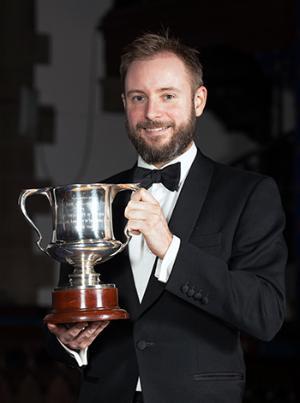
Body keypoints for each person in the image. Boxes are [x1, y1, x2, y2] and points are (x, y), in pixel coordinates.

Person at [46, 32, 287, 403]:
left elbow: (265, 315)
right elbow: (73, 311)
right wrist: (70, 342)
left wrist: (171, 250)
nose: (151, 113)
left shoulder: (248, 194)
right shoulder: (96, 197)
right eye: (138, 98)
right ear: (125, 103)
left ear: (199, 100)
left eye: (167, 96)